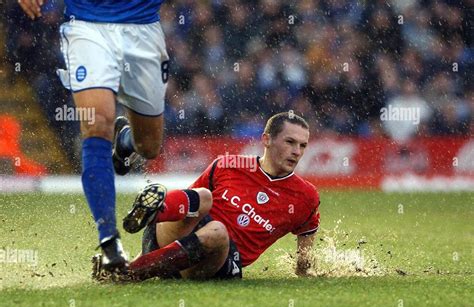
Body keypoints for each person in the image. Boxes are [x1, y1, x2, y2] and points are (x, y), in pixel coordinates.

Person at [18, 0, 170, 272]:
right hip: (87, 26)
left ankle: (124, 142)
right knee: (97, 122)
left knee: (148, 146)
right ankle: (110, 242)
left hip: (143, 28)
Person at [93, 112, 321, 281]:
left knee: (217, 231)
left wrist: (308, 270)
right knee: (202, 196)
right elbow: (186, 210)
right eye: (290, 142)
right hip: (171, 240)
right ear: (267, 139)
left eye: (303, 145)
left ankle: (127, 271)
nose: (297, 152)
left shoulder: (306, 197)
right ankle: (151, 213)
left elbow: (305, 257)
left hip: (217, 263)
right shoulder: (228, 165)